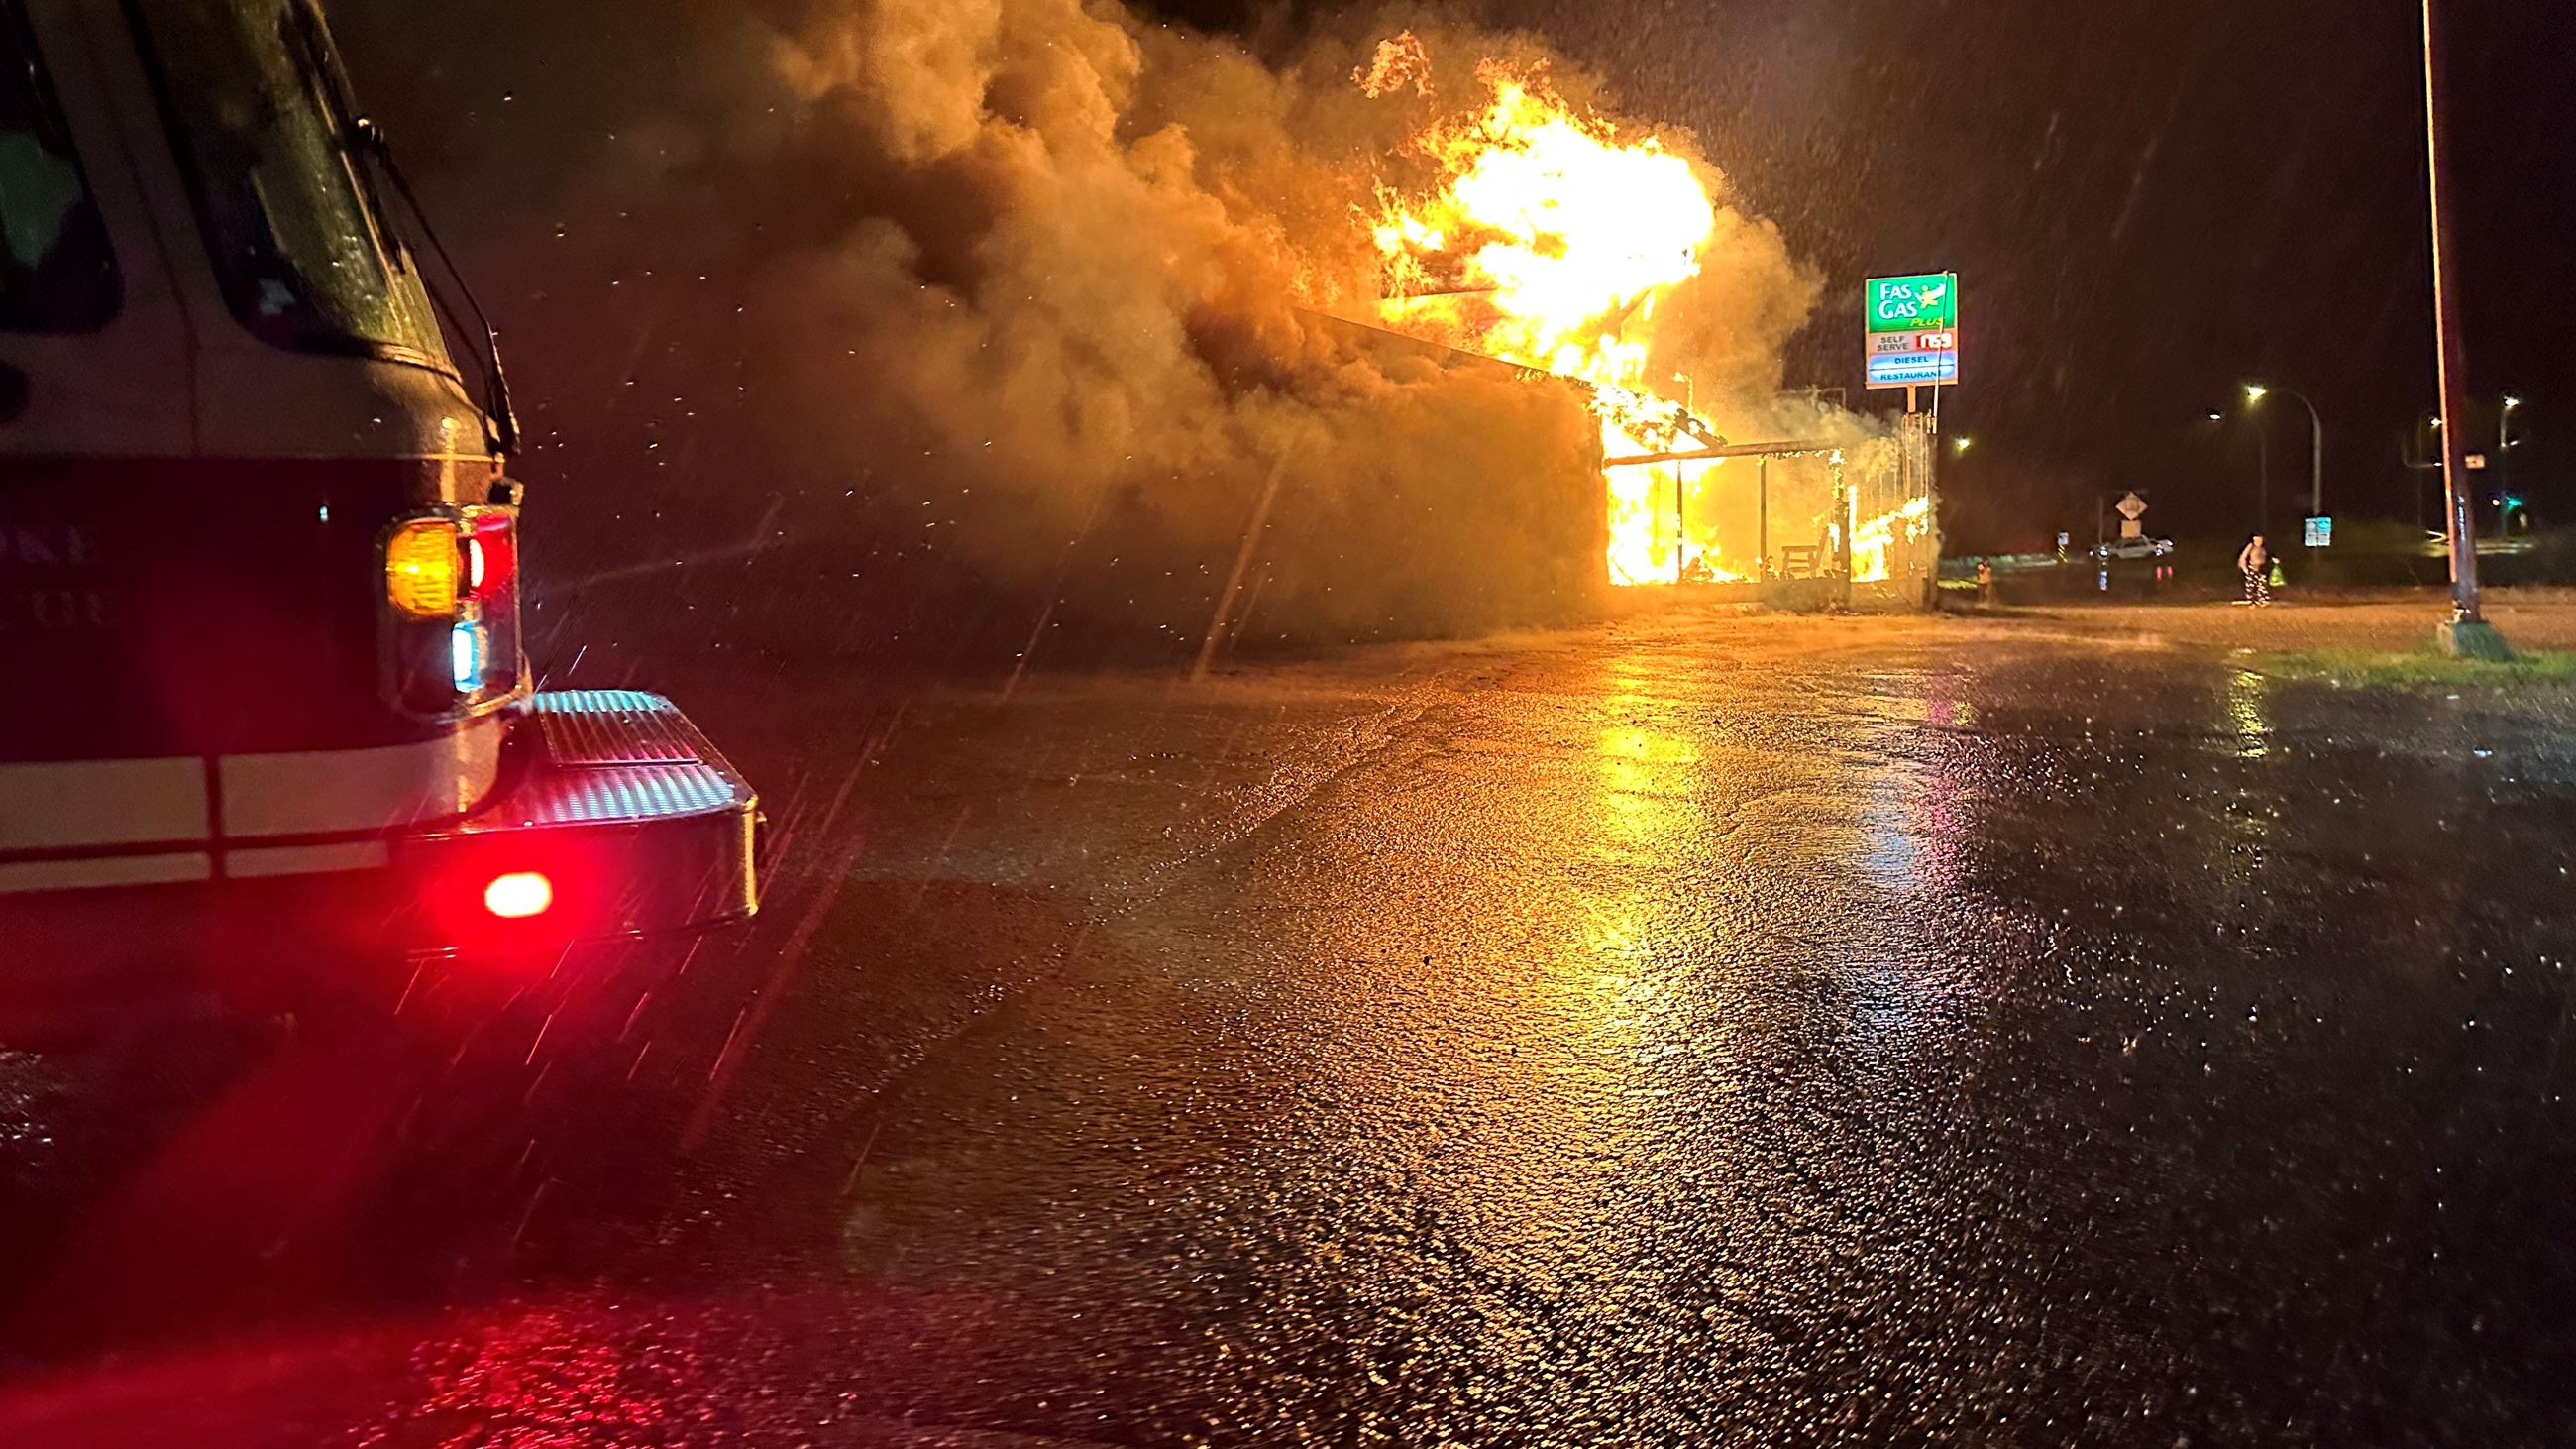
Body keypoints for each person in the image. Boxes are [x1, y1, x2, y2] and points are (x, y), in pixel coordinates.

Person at [2236, 533, 2272, 607]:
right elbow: (2243, 557)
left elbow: (2267, 556)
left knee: (2261, 585)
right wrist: (2244, 568)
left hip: (2261, 569)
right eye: (2257, 540)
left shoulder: (2263, 548)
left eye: (2260, 540)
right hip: (2251, 568)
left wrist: (2272, 559)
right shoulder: (2250, 547)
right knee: (2251, 586)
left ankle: (2262, 600)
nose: (2259, 542)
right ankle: (2252, 601)